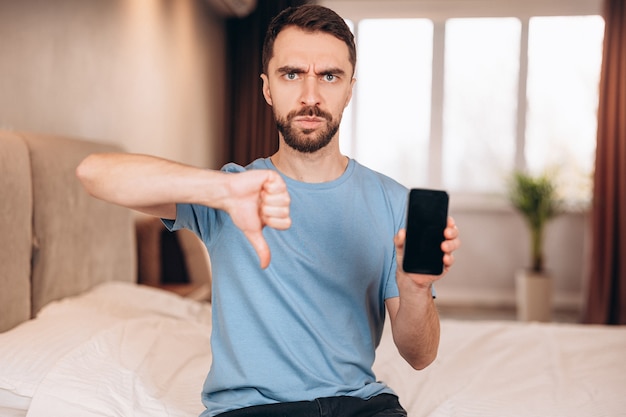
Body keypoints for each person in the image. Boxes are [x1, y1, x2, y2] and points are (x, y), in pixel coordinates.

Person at [76, 4, 460, 417]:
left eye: (329, 76)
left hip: (361, 406)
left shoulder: (392, 201)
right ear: (267, 88)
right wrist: (220, 189)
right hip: (251, 410)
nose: (310, 96)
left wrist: (416, 289)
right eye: (291, 74)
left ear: (349, 89)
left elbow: (419, 356)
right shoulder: (231, 190)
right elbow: (94, 173)